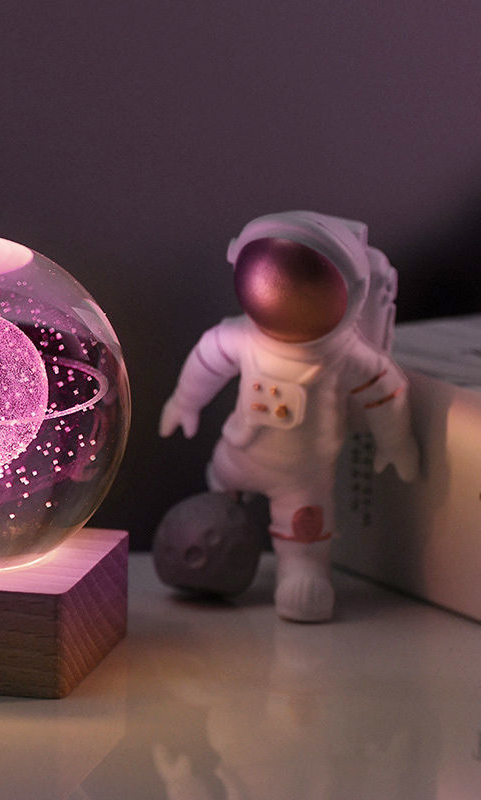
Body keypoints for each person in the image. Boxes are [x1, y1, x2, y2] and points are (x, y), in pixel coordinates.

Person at [160, 211, 418, 622]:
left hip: (302, 476)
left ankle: (302, 570)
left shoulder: (344, 354)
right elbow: (207, 360)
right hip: (237, 455)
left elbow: (386, 392)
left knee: (304, 529)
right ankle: (212, 536)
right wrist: (185, 401)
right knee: (218, 500)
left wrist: (395, 442)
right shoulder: (242, 335)